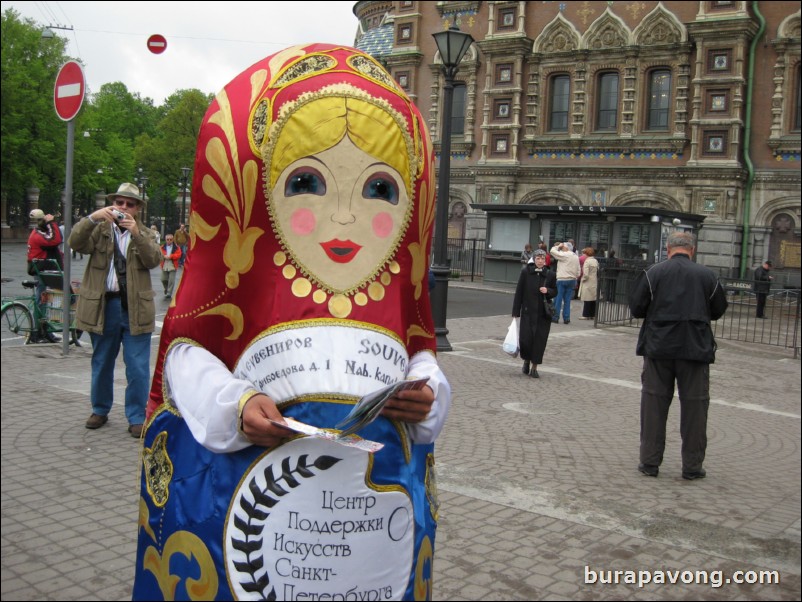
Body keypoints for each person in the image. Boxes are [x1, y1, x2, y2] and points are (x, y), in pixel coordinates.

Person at [133, 44, 452, 600]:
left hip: (375, 536)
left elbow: (418, 344)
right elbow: (187, 350)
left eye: (380, 189)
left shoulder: (394, 273)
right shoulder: (244, 268)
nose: (346, 216)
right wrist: (233, 405)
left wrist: (429, 393)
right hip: (242, 518)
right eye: (308, 183)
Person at [628, 231, 728, 480]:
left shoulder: (654, 273)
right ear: (692, 250)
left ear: (669, 249)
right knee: (695, 407)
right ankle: (692, 466)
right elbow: (718, 309)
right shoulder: (707, 275)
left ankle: (650, 462)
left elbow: (637, 308)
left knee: (653, 404)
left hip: (659, 348)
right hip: (694, 349)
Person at [68, 182, 161, 439]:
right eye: (119, 203)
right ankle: (100, 409)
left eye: (129, 204)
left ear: (138, 208)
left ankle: (136, 417)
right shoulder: (99, 229)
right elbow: (75, 242)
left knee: (138, 367)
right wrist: (91, 218)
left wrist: (137, 234)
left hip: (135, 308)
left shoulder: (145, 233)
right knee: (101, 361)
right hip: (103, 305)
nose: (123, 208)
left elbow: (154, 260)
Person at [512, 249, 557, 378]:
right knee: (526, 339)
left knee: (539, 341)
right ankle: (526, 360)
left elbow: (555, 291)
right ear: (534, 259)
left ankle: (534, 367)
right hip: (528, 312)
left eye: (543, 259)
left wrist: (547, 290)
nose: (540, 261)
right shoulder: (526, 272)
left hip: (543, 315)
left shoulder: (550, 274)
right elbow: (519, 291)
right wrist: (516, 311)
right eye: (538, 258)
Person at [26, 209, 64, 343]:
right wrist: (52, 223)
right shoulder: (37, 235)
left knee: (44, 301)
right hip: (41, 271)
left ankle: (45, 331)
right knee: (42, 301)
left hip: (42, 270)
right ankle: (38, 332)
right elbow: (56, 239)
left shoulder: (38, 233)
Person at [550, 241, 580, 324]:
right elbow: (578, 271)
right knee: (567, 300)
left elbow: (552, 251)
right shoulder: (575, 256)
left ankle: (555, 317)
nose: (561, 249)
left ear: (566, 248)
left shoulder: (565, 255)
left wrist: (558, 246)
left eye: (563, 247)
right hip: (572, 279)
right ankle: (566, 318)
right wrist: (575, 276)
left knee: (558, 298)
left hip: (562, 279)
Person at [578, 247, 599, 319]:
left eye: (584, 253)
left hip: (587, 282)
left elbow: (585, 274)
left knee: (587, 299)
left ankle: (586, 315)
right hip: (594, 281)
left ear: (587, 254)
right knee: (593, 299)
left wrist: (582, 279)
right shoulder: (595, 261)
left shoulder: (587, 261)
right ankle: (592, 315)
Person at [159, 234, 181, 298]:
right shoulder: (162, 247)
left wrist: (171, 256)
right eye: (167, 239)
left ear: (173, 240)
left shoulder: (176, 247)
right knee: (163, 279)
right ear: (165, 240)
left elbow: (179, 255)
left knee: (171, 280)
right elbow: (159, 254)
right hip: (164, 264)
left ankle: (169, 293)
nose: (169, 241)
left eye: (170, 239)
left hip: (173, 264)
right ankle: (166, 289)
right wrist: (164, 256)